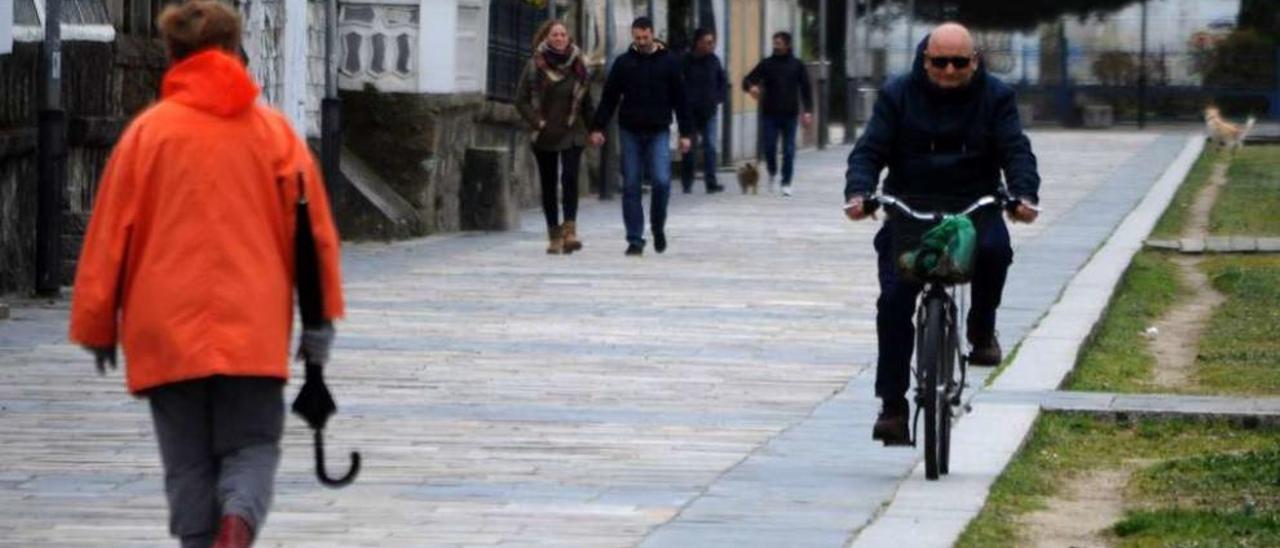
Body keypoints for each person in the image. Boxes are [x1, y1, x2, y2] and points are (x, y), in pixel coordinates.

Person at [67, 2, 345, 546]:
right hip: (252, 327)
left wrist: (97, 325)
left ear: (172, 55)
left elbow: (108, 238)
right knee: (252, 445)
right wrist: (318, 327)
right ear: (234, 49)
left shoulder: (147, 136)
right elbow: (312, 239)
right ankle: (238, 522)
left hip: (165, 331)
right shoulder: (275, 135)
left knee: (187, 463)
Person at [843, 22, 1041, 444]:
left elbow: (1015, 149)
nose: (949, 71)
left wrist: (1023, 195)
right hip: (910, 206)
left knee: (995, 252)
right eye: (939, 62)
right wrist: (860, 191)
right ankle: (893, 406)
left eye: (959, 62)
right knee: (895, 300)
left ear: (975, 61)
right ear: (924, 60)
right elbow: (870, 149)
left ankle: (981, 329)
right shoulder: (898, 95)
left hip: (975, 204)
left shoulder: (997, 97)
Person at [590, 16, 693, 256]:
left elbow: (681, 99)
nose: (642, 42)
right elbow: (609, 98)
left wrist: (686, 133)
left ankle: (657, 226)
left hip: (658, 130)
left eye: (646, 37)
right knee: (631, 185)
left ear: (652, 34)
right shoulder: (623, 63)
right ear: (632, 37)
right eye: (637, 38)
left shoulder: (670, 62)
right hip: (630, 130)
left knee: (661, 181)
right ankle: (635, 238)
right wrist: (598, 127)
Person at [515, 19, 594, 255]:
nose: (559, 38)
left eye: (563, 34)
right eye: (555, 35)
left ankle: (570, 231)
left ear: (568, 38)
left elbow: (586, 101)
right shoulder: (535, 65)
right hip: (546, 132)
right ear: (546, 38)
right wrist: (537, 121)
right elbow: (521, 101)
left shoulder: (578, 65)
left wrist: (595, 129)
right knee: (549, 184)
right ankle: (554, 235)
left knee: (569, 178)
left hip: (572, 130)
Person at [743, 31, 813, 196]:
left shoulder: (797, 65)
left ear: (787, 45)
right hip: (770, 114)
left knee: (789, 150)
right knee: (769, 147)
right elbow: (747, 79)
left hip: (790, 114)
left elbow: (806, 89)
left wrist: (808, 111)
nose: (775, 45)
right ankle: (772, 171)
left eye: (779, 43)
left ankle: (786, 182)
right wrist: (751, 87)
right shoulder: (767, 64)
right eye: (774, 42)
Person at [679, 27, 728, 195]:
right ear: (698, 43)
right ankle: (687, 182)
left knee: (711, 147)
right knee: (689, 148)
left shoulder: (714, 60)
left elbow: (722, 81)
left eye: (712, 42)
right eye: (708, 42)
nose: (711, 45)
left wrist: (719, 97)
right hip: (690, 112)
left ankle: (711, 182)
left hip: (709, 111)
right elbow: (677, 83)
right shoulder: (685, 61)